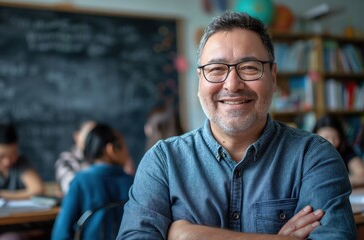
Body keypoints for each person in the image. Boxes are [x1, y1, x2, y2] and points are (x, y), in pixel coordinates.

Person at [117, 12, 356, 239]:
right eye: (216, 69)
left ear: (273, 77)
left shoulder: (314, 156)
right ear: (200, 81)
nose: (232, 85)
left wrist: (190, 235)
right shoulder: (162, 161)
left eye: (249, 67)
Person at [51, 123, 134, 240]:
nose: (127, 151)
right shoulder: (134, 182)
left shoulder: (81, 181)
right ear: (111, 149)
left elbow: (60, 234)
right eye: (124, 146)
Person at [312, 115, 364, 188]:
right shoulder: (308, 155)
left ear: (341, 137)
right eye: (325, 138)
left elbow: (362, 176)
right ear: (314, 138)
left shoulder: (346, 152)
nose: (331, 143)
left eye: (334, 138)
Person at [54, 120, 96, 195]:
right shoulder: (66, 160)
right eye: (89, 135)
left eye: (96, 137)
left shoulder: (104, 160)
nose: (93, 141)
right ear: (77, 136)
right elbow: (72, 189)